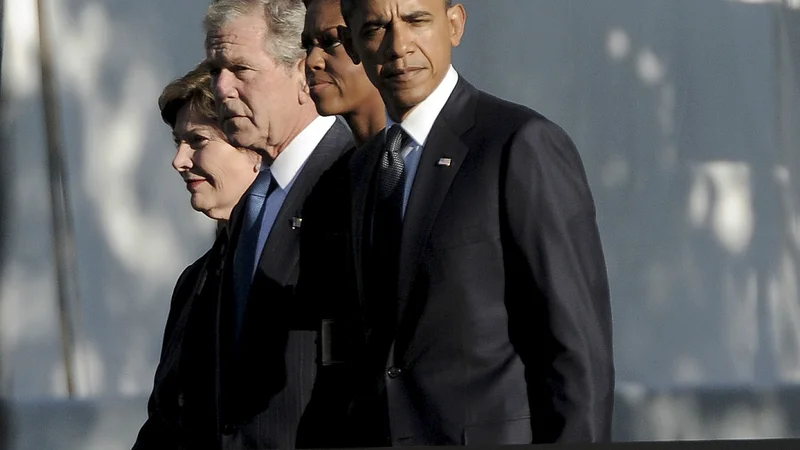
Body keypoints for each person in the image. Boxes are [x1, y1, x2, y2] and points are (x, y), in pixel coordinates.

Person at [314, 0, 615, 445]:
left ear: (455, 25)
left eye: (417, 21)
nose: (399, 46)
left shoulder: (517, 144)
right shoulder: (364, 170)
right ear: (355, 46)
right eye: (377, 28)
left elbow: (576, 352)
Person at [202, 0, 354, 448]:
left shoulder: (350, 178)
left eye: (241, 69)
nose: (221, 88)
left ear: (302, 73)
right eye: (215, 70)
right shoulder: (254, 198)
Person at [132, 61, 262, 449]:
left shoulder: (294, 265)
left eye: (198, 141)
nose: (179, 161)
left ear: (253, 147)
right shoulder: (196, 280)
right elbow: (166, 417)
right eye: (178, 142)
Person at [301, 0, 385, 146]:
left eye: (331, 41)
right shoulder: (342, 167)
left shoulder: (425, 154)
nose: (311, 61)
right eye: (307, 46)